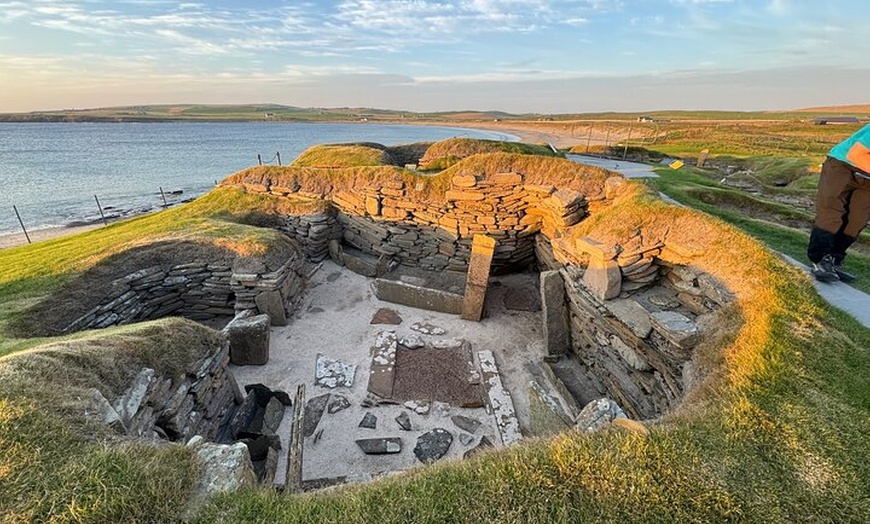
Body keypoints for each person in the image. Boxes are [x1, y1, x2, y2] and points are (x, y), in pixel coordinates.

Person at [808, 124, 870, 282]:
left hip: (867, 177)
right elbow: (856, 154)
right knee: (832, 212)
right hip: (843, 166)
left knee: (858, 220)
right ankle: (820, 259)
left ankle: (834, 259)